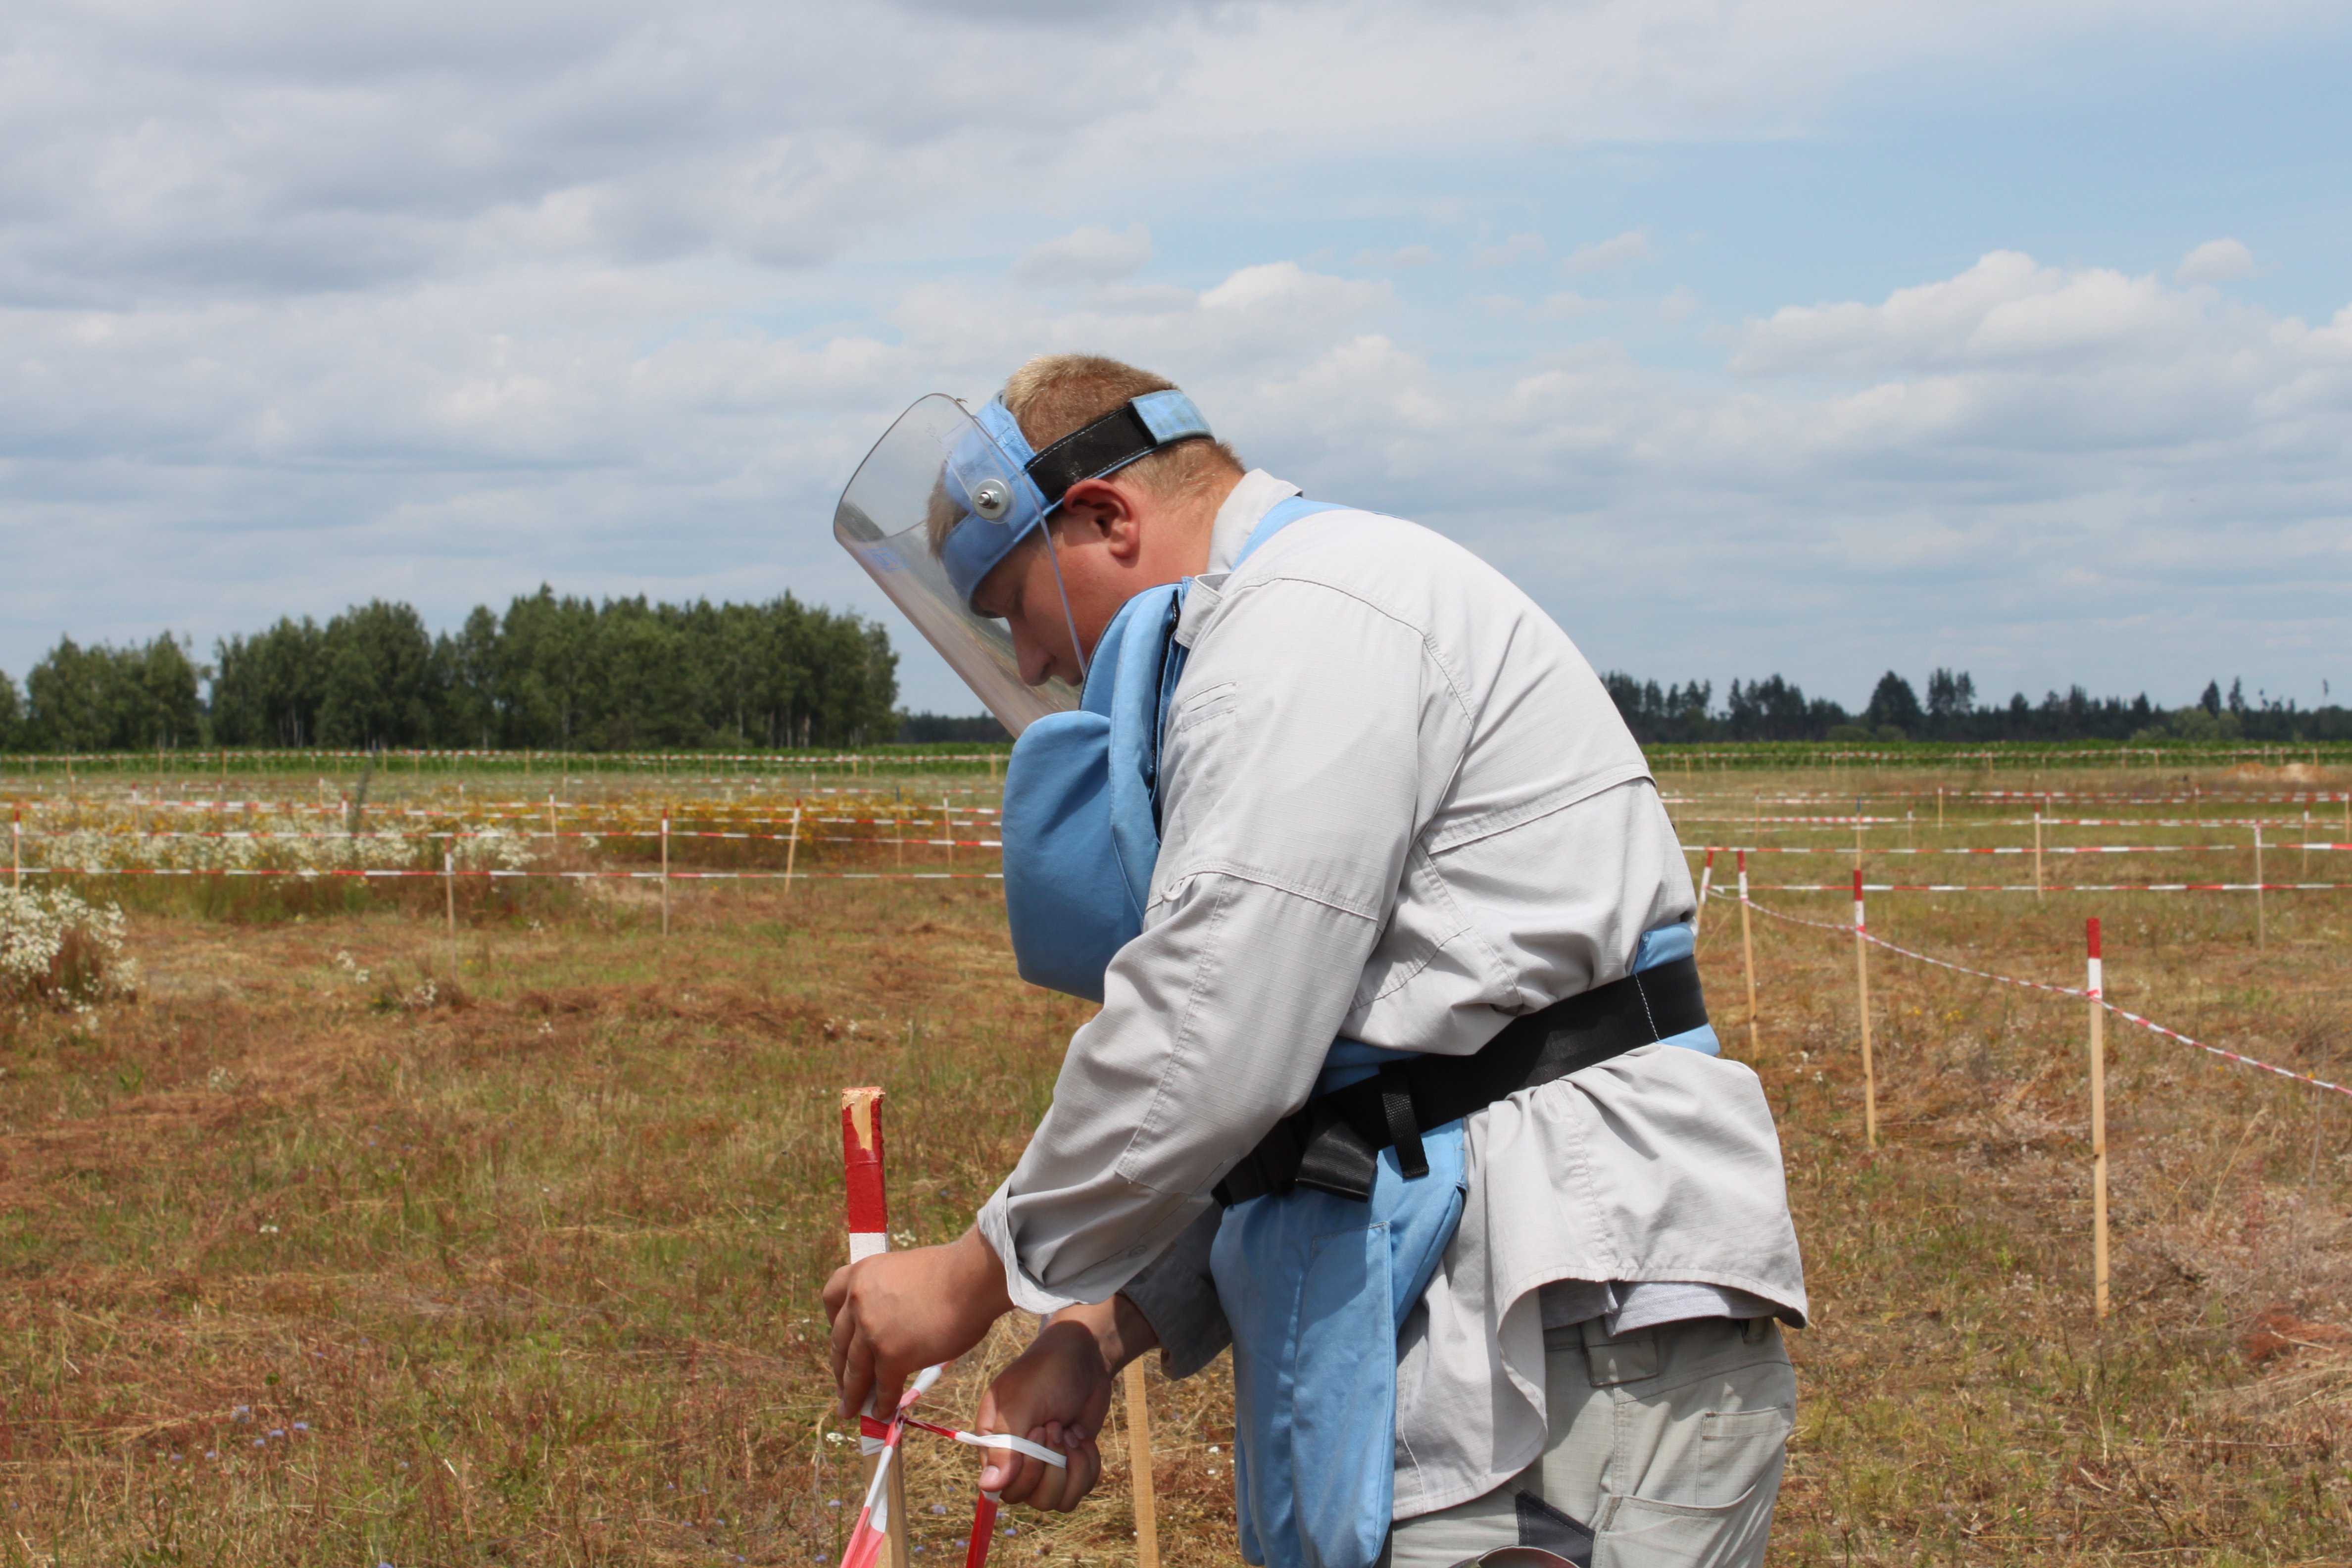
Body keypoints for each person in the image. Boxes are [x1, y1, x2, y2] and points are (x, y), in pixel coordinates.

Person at [825, 354, 1807, 1568]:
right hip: (1511, 1340)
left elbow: (1213, 1033)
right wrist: (1100, 1330)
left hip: (1569, 1342)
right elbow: (1332, 1091)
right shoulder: (1294, 622)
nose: (1029, 665)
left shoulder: (1306, 623)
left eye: (1016, 608)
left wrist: (975, 1277)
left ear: (1105, 518)